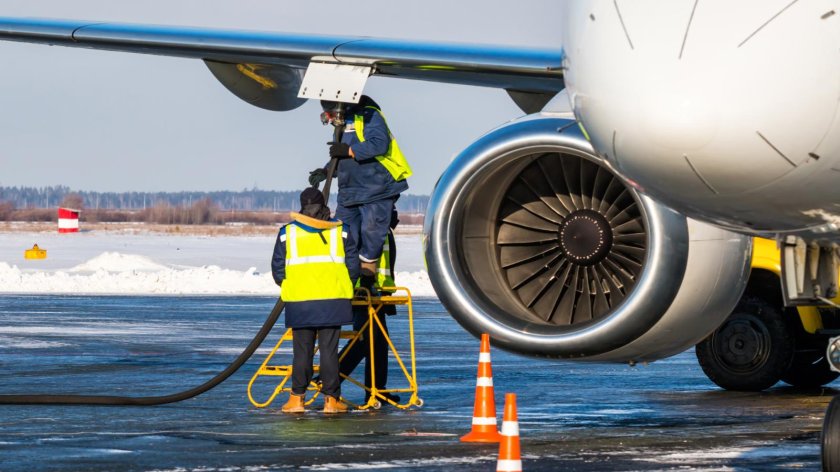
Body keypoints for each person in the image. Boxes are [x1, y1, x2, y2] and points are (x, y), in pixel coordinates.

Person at [309, 96, 411, 292]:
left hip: (376, 188)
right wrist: (326, 170)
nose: (329, 120)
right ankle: (349, 282)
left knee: (372, 233)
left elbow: (379, 143)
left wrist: (348, 150)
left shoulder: (368, 115)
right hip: (350, 192)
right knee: (343, 234)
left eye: (330, 115)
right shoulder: (341, 124)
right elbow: (343, 156)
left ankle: (367, 277)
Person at [271, 187, 359, 414]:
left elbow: (277, 269)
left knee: (302, 352)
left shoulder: (286, 233)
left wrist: (291, 286)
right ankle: (331, 401)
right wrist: (344, 284)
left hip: (300, 302)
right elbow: (353, 266)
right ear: (324, 206)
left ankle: (296, 399)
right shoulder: (341, 231)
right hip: (333, 300)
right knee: (329, 352)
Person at [338, 207, 400, 404]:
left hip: (378, 294)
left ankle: (376, 391)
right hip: (365, 293)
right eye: (392, 210)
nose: (395, 215)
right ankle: (329, 378)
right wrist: (365, 286)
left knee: (379, 345)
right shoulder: (370, 230)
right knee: (364, 341)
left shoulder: (382, 230)